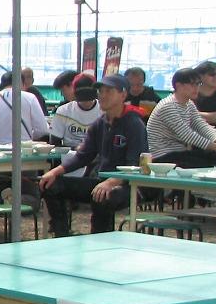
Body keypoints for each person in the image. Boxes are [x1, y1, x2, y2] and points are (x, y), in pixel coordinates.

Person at [38, 74, 147, 236]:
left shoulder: (134, 123)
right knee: (50, 185)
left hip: (127, 185)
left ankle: (100, 238)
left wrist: (111, 182)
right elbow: (83, 156)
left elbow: (135, 165)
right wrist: (54, 172)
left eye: (109, 91)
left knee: (103, 196)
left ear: (123, 95)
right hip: (100, 181)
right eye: (100, 91)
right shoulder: (100, 123)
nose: (102, 95)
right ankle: (62, 235)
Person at [146, 67, 216, 167]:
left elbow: (201, 125)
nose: (196, 88)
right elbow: (188, 135)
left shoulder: (189, 104)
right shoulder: (168, 106)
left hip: (179, 153)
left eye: (198, 84)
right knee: (207, 163)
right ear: (178, 85)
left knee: (213, 157)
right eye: (192, 84)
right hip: (163, 156)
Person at [0, 71, 49, 145]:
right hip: (23, 148)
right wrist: (29, 135)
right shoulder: (30, 98)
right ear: (22, 84)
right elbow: (42, 130)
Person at [48, 73, 101, 161]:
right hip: (69, 158)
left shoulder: (104, 110)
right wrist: (74, 149)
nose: (85, 101)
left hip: (97, 159)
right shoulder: (63, 111)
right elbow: (54, 143)